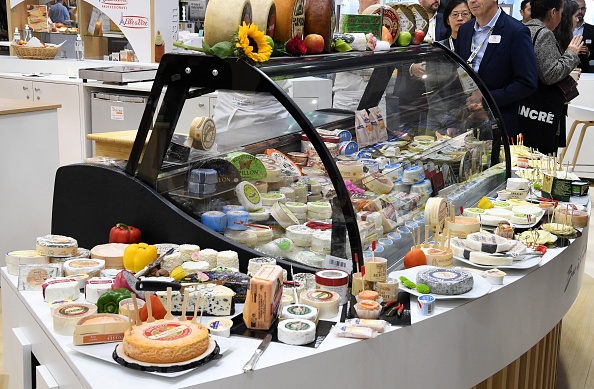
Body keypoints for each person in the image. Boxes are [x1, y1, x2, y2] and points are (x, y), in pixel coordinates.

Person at [455, 0, 538, 139]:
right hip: (468, 119)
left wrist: (487, 99)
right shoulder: (465, 30)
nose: (472, 1)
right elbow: (458, 70)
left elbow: (527, 82)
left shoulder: (515, 31)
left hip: (499, 121)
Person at [522, 0, 582, 154]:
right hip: (541, 110)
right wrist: (571, 53)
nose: (562, 18)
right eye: (561, 13)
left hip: (524, 107)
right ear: (553, 12)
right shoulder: (544, 34)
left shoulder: (523, 29)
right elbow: (550, 74)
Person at [573, 0, 593, 72]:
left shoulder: (592, 30)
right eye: (577, 8)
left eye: (583, 8)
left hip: (584, 72)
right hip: (564, 73)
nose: (580, 11)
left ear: (585, 9)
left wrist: (588, 53)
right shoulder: (562, 29)